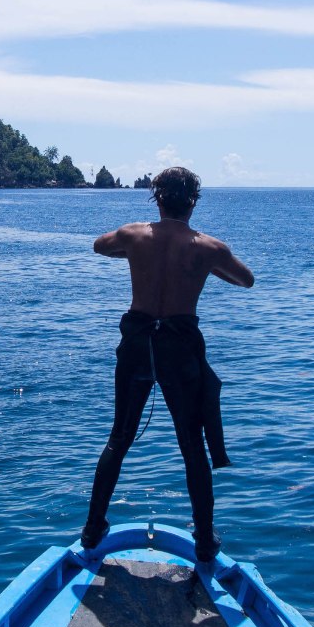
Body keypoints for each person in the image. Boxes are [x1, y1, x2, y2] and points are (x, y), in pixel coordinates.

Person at [81, 166, 254, 561]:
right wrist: (207, 266)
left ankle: (92, 529)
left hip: (138, 342)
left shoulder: (133, 234)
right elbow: (247, 280)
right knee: (192, 445)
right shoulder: (209, 247)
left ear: (157, 198)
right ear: (193, 202)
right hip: (179, 347)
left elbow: (99, 246)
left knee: (119, 437)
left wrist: (135, 251)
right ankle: (205, 540)